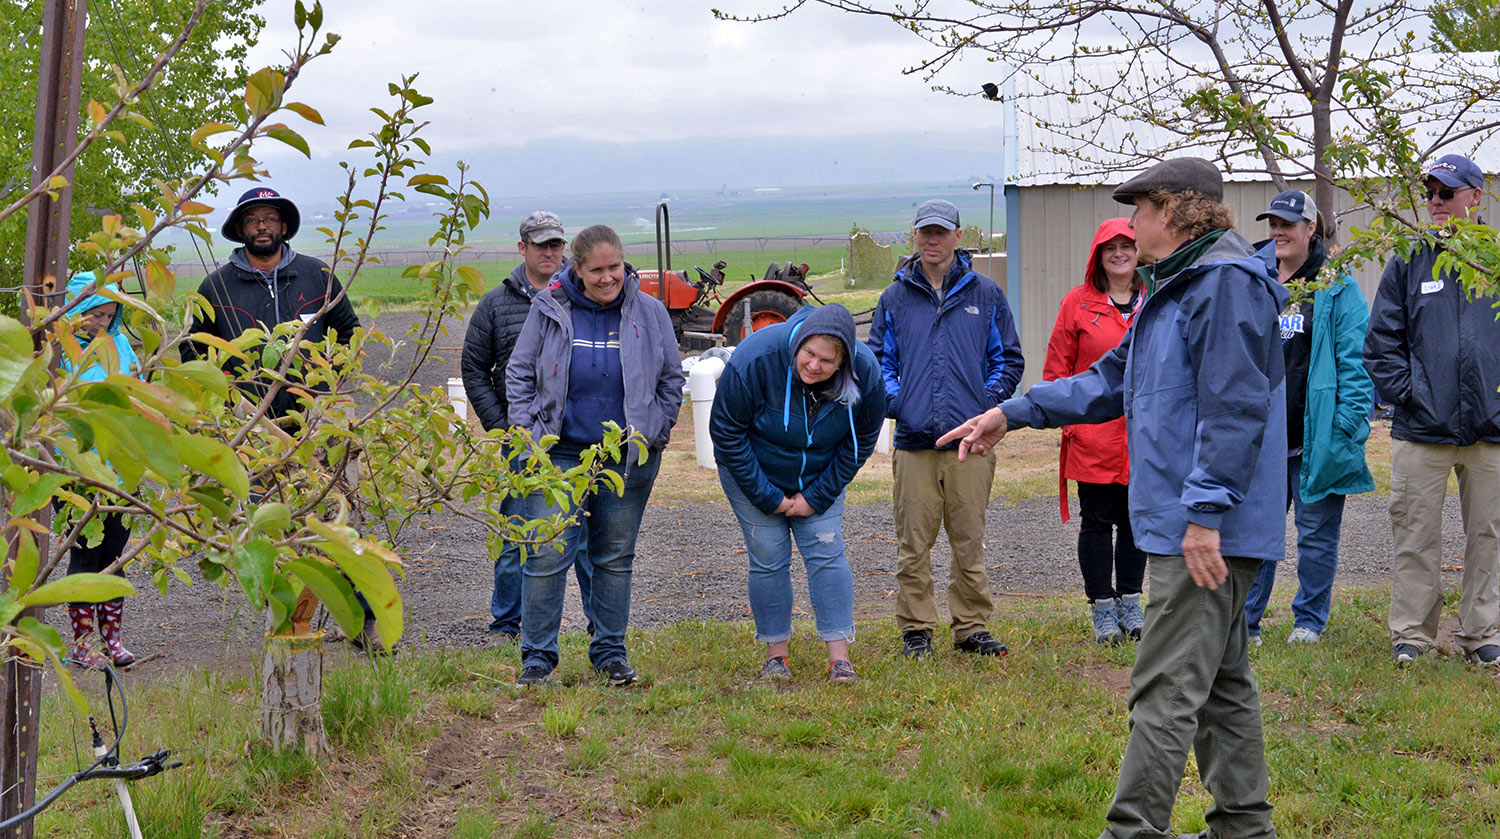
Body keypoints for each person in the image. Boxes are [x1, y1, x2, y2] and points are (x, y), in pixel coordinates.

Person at [940, 157, 1285, 839]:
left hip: (1207, 528)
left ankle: (1131, 830)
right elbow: (1106, 381)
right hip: (1193, 523)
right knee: (1220, 686)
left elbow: (1235, 407)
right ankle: (1245, 827)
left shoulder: (1221, 287)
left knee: (1163, 685)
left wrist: (1206, 514)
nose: (1130, 224)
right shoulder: (1179, 289)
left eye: (1141, 210)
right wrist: (1013, 411)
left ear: (1178, 211)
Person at [182, 187, 378, 645]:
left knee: (337, 519)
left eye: (270, 218)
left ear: (284, 226)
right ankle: (287, 621)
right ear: (241, 230)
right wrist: (227, 393)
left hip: (315, 420)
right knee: (268, 524)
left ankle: (362, 620)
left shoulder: (317, 275)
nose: (262, 227)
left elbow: (350, 332)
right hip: (252, 426)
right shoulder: (218, 285)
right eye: (253, 221)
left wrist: (329, 381)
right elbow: (195, 347)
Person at [507, 224, 685, 687]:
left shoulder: (650, 311)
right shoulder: (549, 308)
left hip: (626, 457)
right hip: (558, 452)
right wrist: (529, 436)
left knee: (613, 556)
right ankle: (538, 659)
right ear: (577, 269)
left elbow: (670, 378)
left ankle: (609, 653)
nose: (608, 278)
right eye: (597, 270)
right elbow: (520, 372)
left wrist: (655, 431)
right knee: (547, 553)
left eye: (615, 267)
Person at [866, 199, 1024, 660]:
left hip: (971, 443)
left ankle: (971, 627)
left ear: (958, 236)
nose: (932, 240)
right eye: (924, 232)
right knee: (913, 544)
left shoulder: (986, 294)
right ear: (914, 236)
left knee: (968, 540)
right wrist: (903, 407)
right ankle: (917, 629)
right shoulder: (895, 298)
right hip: (915, 443)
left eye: (941, 232)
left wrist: (983, 408)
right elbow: (880, 363)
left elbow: (1008, 360)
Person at [1364, 153, 1500, 666]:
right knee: (1416, 533)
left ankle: (1480, 633)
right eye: (1431, 194)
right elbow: (1381, 343)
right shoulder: (1409, 258)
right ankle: (1413, 636)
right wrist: (1413, 394)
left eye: (1447, 192)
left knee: (1487, 535)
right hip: (1422, 428)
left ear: (1475, 197)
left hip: (1491, 428)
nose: (1436, 202)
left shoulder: (1497, 261)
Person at [709, 303, 885, 684]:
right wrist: (769, 496)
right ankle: (776, 657)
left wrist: (817, 497)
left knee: (826, 551)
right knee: (769, 556)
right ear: (798, 345)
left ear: (844, 363)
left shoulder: (867, 373)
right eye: (808, 354)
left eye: (827, 360)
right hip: (752, 468)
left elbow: (862, 440)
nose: (814, 366)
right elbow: (726, 433)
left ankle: (840, 660)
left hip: (820, 472)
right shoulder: (755, 358)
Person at [1243, 190, 1374, 646]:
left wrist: (1347, 427)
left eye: (1287, 225)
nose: (1277, 232)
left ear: (1310, 229)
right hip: (1262, 439)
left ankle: (1308, 622)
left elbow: (1358, 363)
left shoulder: (1336, 285)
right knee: (1255, 535)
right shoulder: (1253, 277)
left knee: (1316, 536)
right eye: (1272, 224)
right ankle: (1247, 624)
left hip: (1315, 436)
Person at [460, 211, 592, 646]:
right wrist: (502, 427)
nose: (550, 252)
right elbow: (475, 369)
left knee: (589, 534)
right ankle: (505, 625)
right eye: (541, 245)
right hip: (522, 440)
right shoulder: (497, 304)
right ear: (523, 248)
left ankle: (599, 623)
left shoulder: (584, 295)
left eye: (557, 245)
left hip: (577, 436)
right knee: (518, 529)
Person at [1041, 218, 1146, 645]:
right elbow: (1056, 368)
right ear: (1098, 255)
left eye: (1127, 245)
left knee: (1137, 522)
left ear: (1140, 251)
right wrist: (1070, 421)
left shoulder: (1155, 298)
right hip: (1094, 433)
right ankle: (1102, 607)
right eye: (1110, 247)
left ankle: (1132, 603)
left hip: (1144, 435)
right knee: (1099, 522)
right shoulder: (1078, 304)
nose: (1119, 253)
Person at [60, 272, 141, 669]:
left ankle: (113, 637)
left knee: (114, 555)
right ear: (76, 309)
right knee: (84, 555)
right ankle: (82, 642)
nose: (102, 323)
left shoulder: (122, 345)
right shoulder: (60, 350)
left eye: (110, 315)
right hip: (79, 470)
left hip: (122, 470)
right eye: (95, 314)